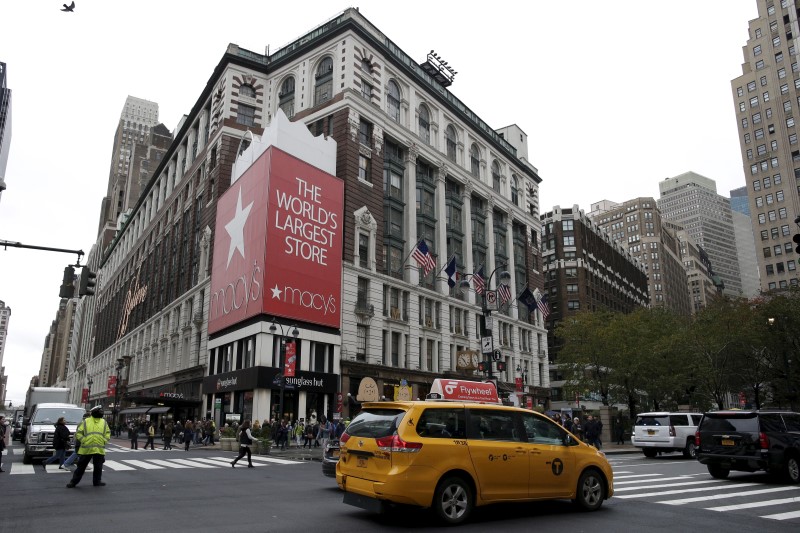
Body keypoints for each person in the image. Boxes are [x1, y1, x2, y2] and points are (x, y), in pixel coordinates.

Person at [66, 405, 111, 488]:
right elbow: (78, 433)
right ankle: (74, 482)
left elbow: (108, 433)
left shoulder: (104, 422)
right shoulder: (86, 421)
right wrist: (84, 440)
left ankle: (97, 481)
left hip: (98, 448)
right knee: (81, 467)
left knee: (98, 467)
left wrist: (104, 440)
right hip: (87, 448)